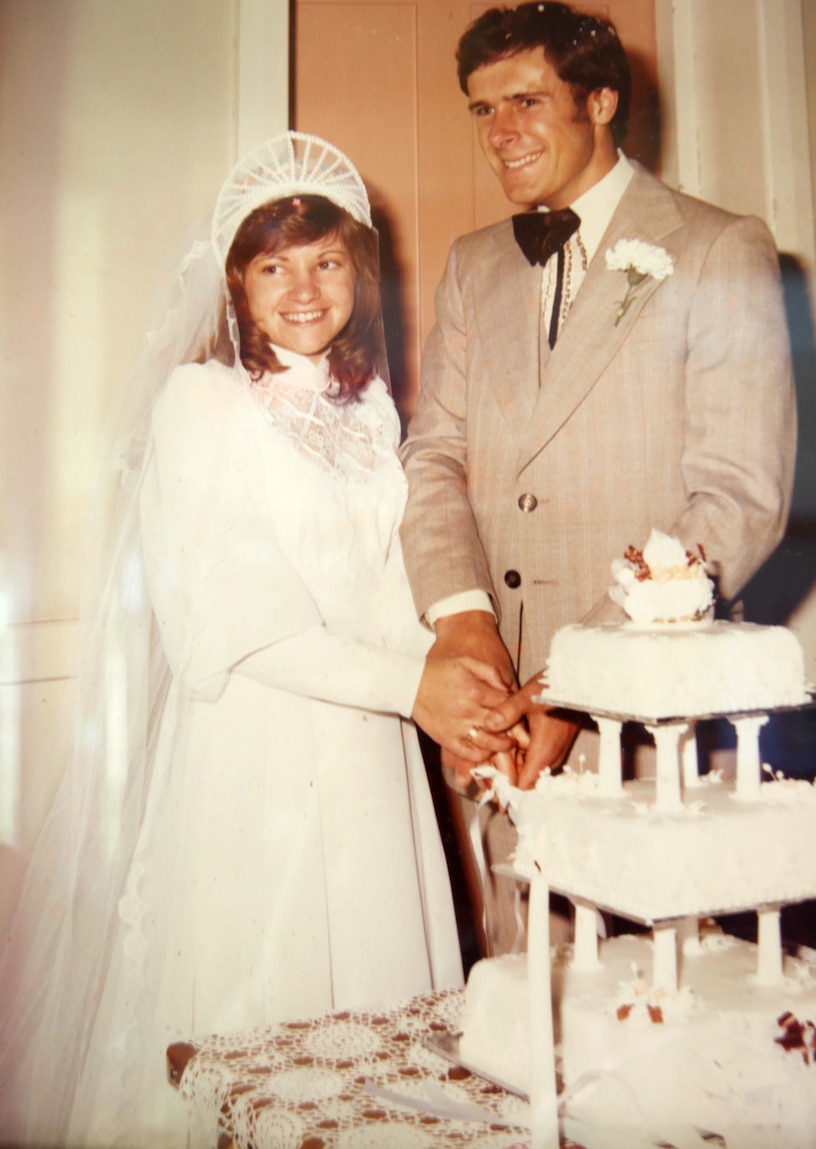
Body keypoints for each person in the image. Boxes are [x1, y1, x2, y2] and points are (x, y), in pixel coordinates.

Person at [0, 131, 487, 1147]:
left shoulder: (370, 410)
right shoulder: (202, 405)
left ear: (357, 268)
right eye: (273, 266)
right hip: (260, 760)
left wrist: (462, 692)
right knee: (261, 1029)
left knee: (376, 1041)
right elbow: (230, 617)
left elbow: (390, 585)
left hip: (372, 758)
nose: (302, 288)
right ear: (235, 282)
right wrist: (414, 691)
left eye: (324, 261)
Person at [400, 3, 797, 954]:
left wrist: (576, 684)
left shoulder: (717, 247)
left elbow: (738, 501)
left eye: (527, 100)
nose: (500, 132)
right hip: (495, 721)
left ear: (603, 99)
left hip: (639, 718)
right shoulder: (471, 266)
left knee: (656, 1021)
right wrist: (463, 629)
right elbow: (434, 457)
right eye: (481, 109)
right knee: (519, 1003)